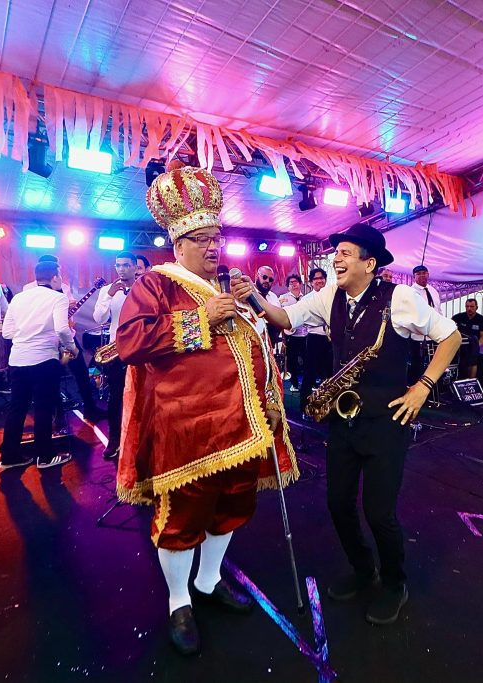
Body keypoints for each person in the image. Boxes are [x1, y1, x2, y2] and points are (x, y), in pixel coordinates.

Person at [234, 223, 460, 626]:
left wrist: (423, 387)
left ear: (369, 264)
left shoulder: (400, 297)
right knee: (338, 504)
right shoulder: (329, 295)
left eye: (345, 253)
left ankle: (394, 584)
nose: (335, 258)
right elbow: (284, 318)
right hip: (344, 421)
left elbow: (451, 336)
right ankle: (363, 569)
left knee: (379, 512)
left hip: (387, 421)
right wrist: (252, 293)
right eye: (335, 252)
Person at [115, 164, 297, 656]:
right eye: (202, 240)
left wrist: (271, 402)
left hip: (245, 429)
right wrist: (201, 319)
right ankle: (179, 601)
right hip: (188, 432)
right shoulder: (157, 284)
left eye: (217, 238)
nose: (214, 247)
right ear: (178, 245)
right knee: (182, 518)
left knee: (234, 507)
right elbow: (129, 342)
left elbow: (258, 351)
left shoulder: (229, 288)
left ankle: (209, 580)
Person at [0, 261, 76, 469]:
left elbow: (7, 333)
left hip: (17, 360)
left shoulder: (19, 298)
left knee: (17, 407)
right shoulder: (58, 298)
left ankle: (9, 456)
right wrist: (72, 348)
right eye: (60, 276)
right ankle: (46, 456)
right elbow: (62, 329)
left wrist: (27, 334)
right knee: (44, 406)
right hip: (43, 360)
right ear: (55, 277)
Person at [22, 254, 97, 419]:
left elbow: (71, 309)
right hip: (48, 338)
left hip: (67, 335)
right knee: (52, 377)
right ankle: (58, 415)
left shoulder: (64, 287)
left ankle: (90, 408)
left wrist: (71, 309)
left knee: (81, 372)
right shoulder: (28, 289)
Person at [92, 251, 137, 459]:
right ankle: (114, 440)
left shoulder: (143, 287)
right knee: (115, 397)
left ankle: (139, 438)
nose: (121, 269)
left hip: (140, 347)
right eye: (118, 265)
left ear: (135, 267)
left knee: (141, 395)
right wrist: (109, 296)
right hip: (116, 349)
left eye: (126, 265)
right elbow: (99, 318)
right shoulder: (107, 290)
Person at [299, 267, 332, 415]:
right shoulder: (307, 299)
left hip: (331, 340)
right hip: (314, 339)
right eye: (316, 279)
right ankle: (304, 409)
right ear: (311, 282)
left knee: (330, 374)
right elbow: (304, 320)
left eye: (321, 278)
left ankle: (328, 408)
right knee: (309, 374)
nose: (319, 281)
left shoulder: (334, 296)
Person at [407, 265, 441, 384]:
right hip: (418, 338)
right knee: (417, 368)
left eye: (424, 273)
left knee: (432, 367)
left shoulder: (433, 290)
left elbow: (438, 311)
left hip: (433, 336)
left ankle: (431, 391)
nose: (422, 275)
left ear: (428, 274)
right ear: (414, 277)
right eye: (419, 273)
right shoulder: (410, 292)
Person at [278, 274, 307, 393]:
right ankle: (294, 384)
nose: (294, 284)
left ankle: (306, 384)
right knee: (292, 361)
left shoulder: (306, 298)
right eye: (291, 283)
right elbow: (279, 315)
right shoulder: (282, 298)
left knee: (307, 360)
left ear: (300, 284)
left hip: (305, 334)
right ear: (288, 286)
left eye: (296, 282)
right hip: (291, 335)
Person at [451, 298, 483, 379]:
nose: (469, 309)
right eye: (467, 306)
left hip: (473, 347)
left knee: (473, 363)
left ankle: (471, 381)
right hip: (459, 347)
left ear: (476, 307)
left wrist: (477, 346)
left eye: (471, 306)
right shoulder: (458, 317)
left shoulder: (481, 319)